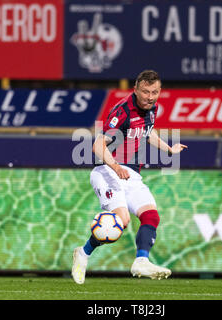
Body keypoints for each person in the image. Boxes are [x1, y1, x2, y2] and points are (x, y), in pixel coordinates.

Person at [72, 70, 187, 284]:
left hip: (131, 173)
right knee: (120, 222)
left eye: (154, 92)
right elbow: (98, 145)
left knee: (151, 215)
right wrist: (115, 167)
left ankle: (141, 261)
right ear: (135, 89)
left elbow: (147, 132)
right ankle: (83, 253)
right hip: (107, 170)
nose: (150, 97)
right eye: (145, 92)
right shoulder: (122, 111)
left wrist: (169, 150)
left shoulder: (153, 109)